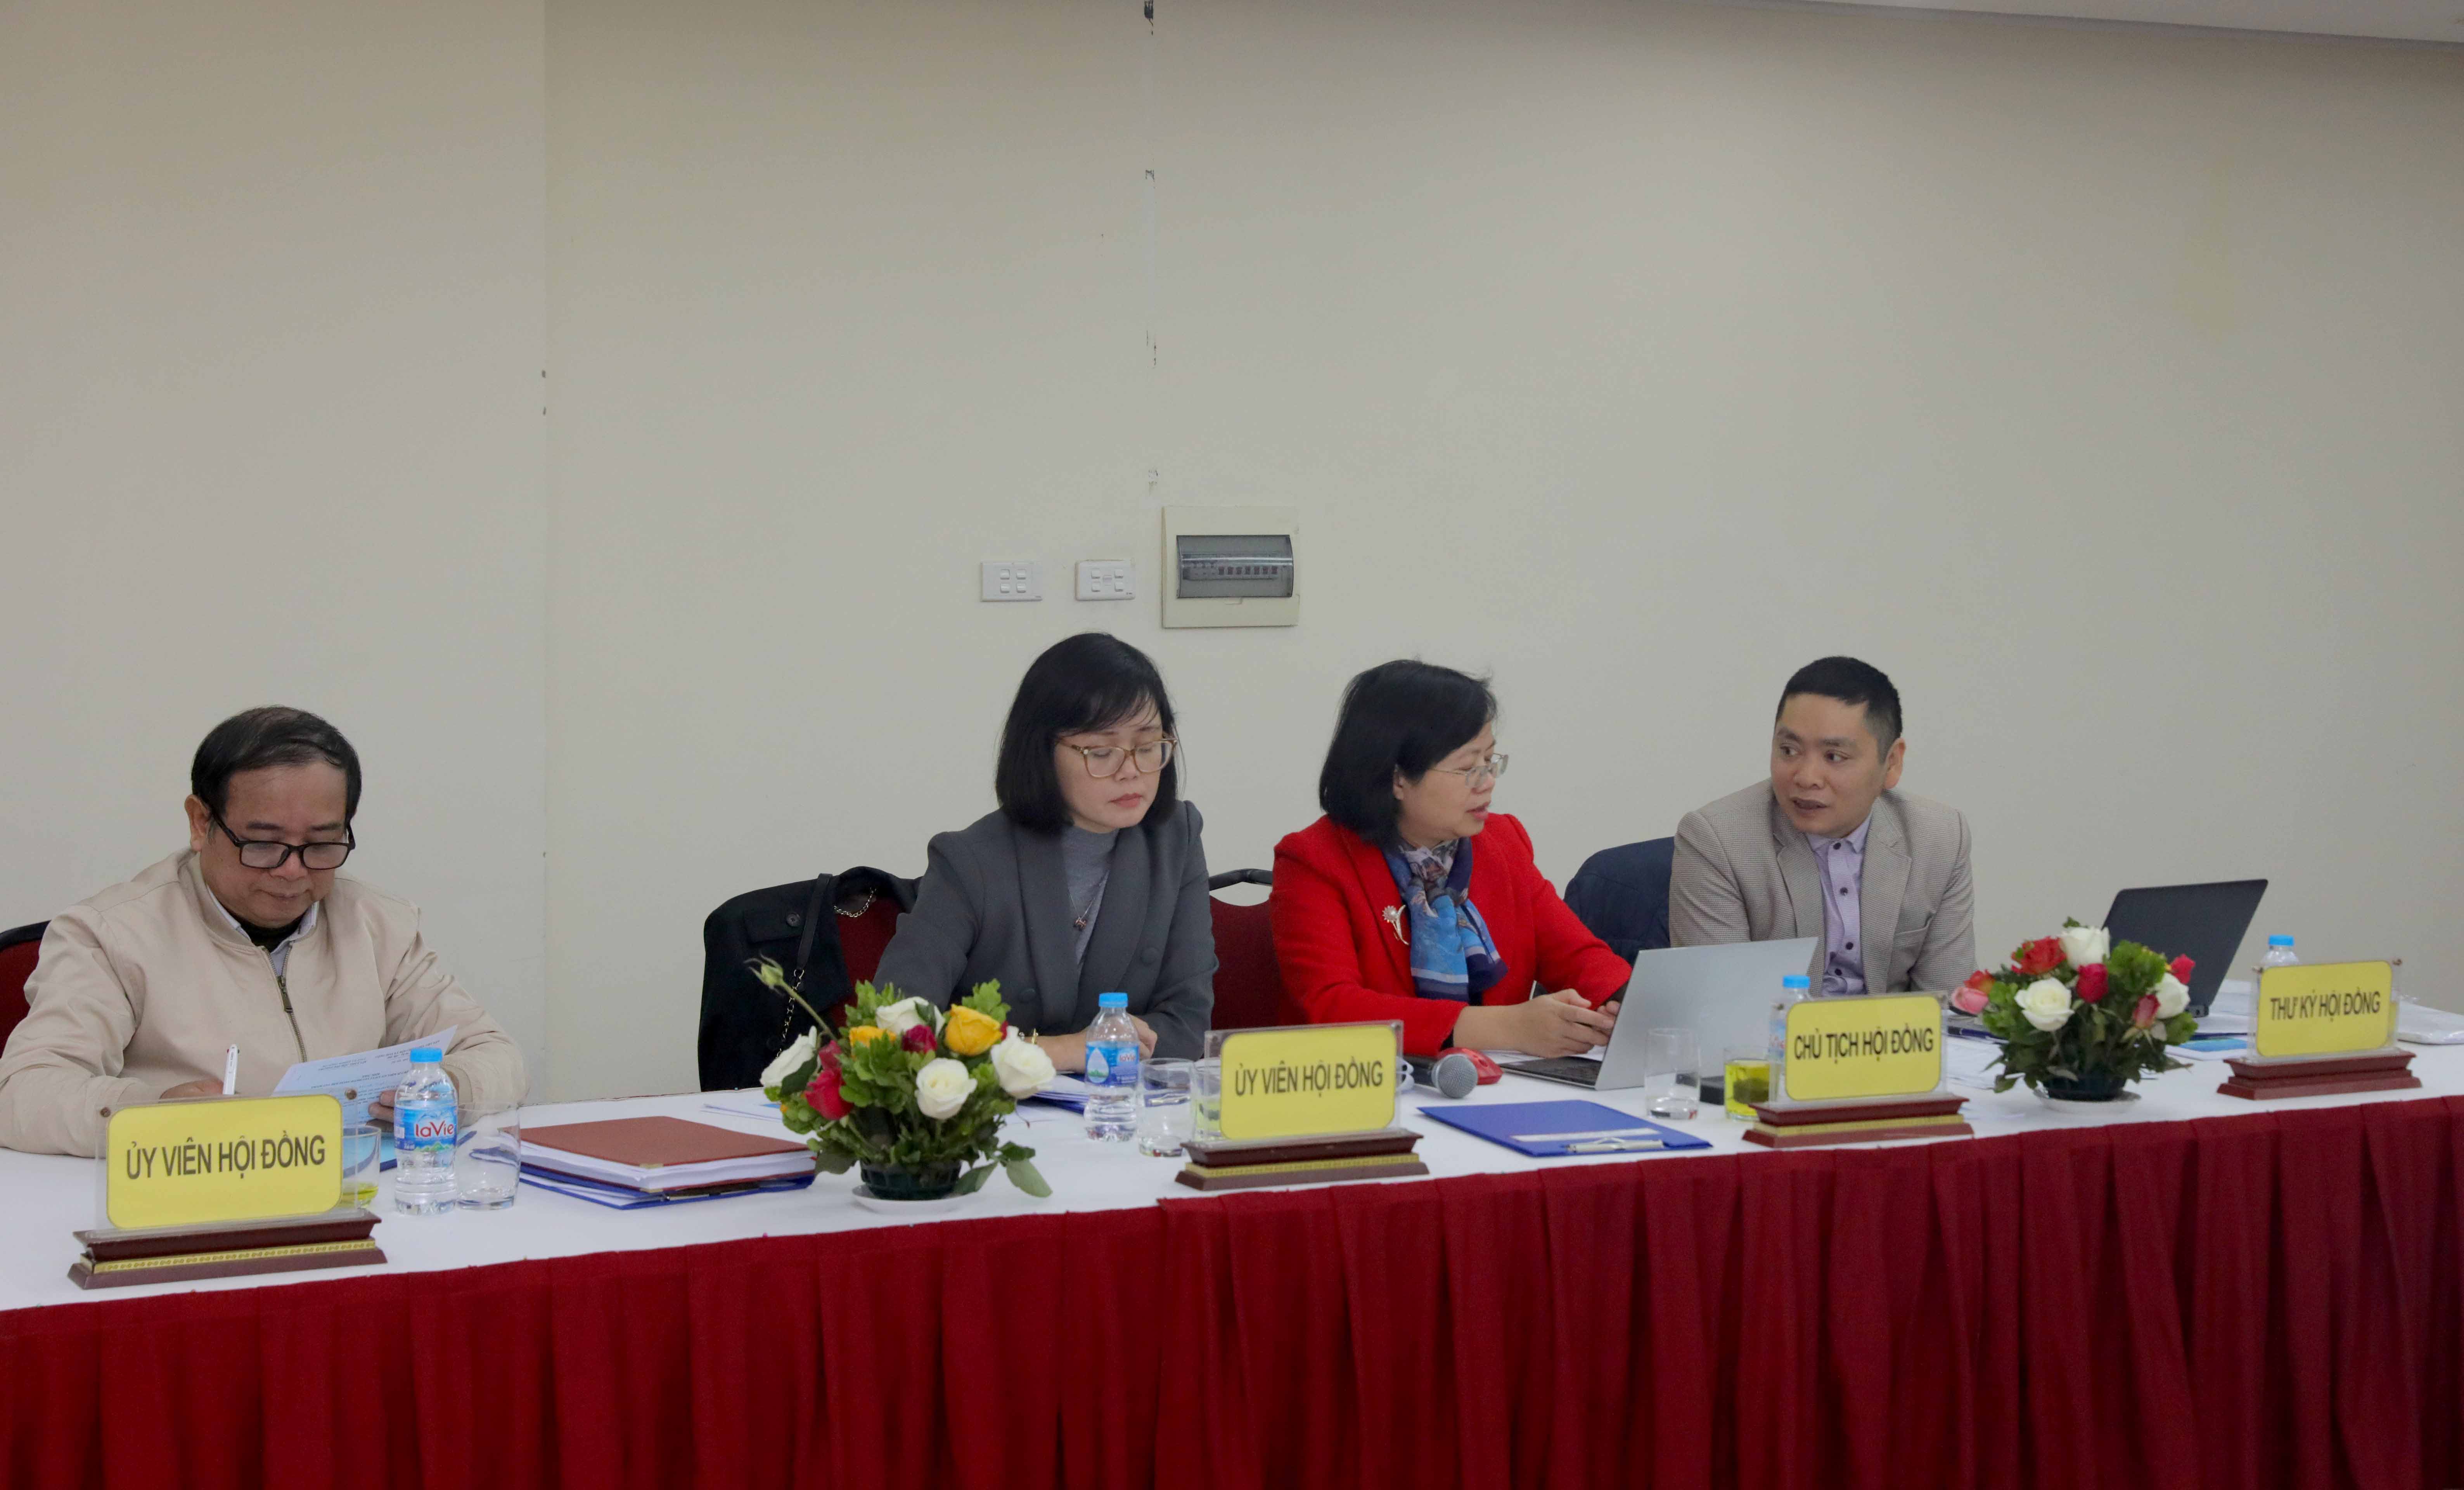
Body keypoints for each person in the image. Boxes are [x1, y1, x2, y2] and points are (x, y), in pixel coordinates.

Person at [0, 707, 528, 1157]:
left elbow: (495, 1056)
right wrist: (150, 1115)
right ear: (201, 823)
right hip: (191, 1198)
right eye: (264, 843)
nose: (292, 871)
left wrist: (446, 1088)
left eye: (321, 844)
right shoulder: (111, 935)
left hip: (362, 1192)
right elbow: (22, 1093)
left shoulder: (378, 925)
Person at [872, 633, 1216, 1066]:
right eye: (1102, 752)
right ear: (1042, 752)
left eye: (1147, 747)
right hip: (997, 1104)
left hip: (1122, 1099)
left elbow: (1187, 1025)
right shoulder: (969, 861)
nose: (1131, 770)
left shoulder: (1175, 839)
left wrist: (1094, 1054)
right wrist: (1057, 1052)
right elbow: (897, 1027)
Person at [1271, 661, 1628, 1060]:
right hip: (1365, 1082)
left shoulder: (1502, 841)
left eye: (1490, 761)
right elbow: (1333, 1009)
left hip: (1493, 1083)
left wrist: (1626, 1004)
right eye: (1468, 768)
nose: (1488, 782)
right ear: (1397, 778)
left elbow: (1577, 958)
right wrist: (1508, 1027)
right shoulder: (1315, 861)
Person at [1670, 656, 1976, 994]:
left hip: (1896, 1030)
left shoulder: (1939, 838)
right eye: (1789, 750)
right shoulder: (1718, 840)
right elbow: (1720, 1004)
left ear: (1891, 763)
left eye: (1834, 757)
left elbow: (1948, 1006)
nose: (1806, 777)